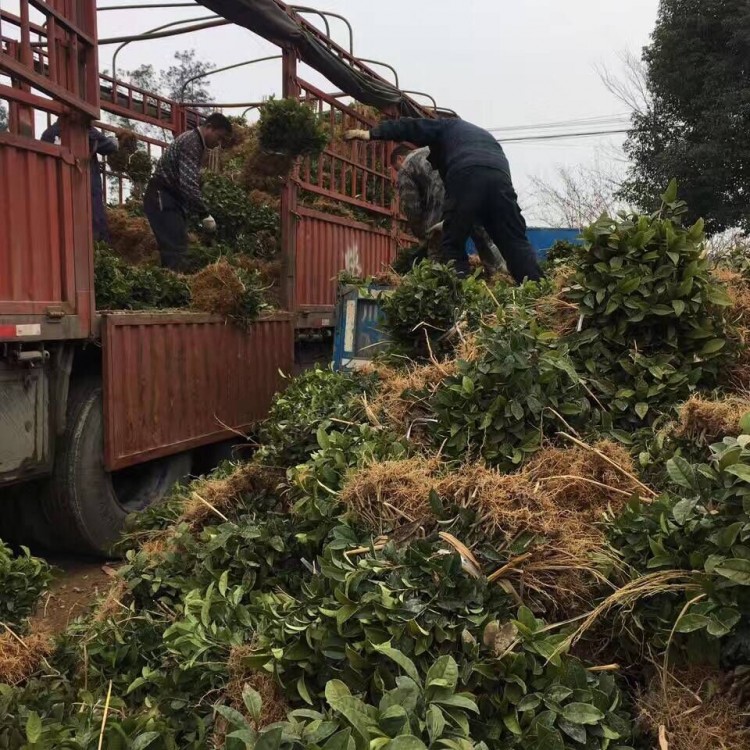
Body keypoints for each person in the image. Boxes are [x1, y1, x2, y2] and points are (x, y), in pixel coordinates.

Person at [346, 118, 543, 283]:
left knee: (452, 245)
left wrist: (372, 134)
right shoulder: (472, 135)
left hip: (467, 173)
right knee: (514, 242)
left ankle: (460, 300)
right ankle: (537, 293)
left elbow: (410, 126)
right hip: (500, 176)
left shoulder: (444, 127)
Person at [390, 144, 505, 274]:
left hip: (443, 203)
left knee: (438, 251)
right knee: (485, 240)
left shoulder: (407, 166)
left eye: (396, 168)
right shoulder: (436, 149)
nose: (398, 171)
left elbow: (411, 206)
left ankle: (444, 283)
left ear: (400, 159)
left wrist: (421, 234)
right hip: (476, 189)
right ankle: (502, 276)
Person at [143, 112, 232, 271]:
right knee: (175, 249)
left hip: (170, 198)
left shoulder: (195, 142)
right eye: (219, 138)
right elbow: (188, 183)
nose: (218, 143)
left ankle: (174, 283)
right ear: (209, 127)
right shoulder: (192, 142)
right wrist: (203, 213)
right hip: (162, 196)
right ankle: (174, 289)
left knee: (178, 244)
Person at [41, 120, 118, 243]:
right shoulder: (84, 130)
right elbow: (109, 146)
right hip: (84, 185)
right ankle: (98, 247)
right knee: (94, 219)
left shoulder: (48, 134)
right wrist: (114, 140)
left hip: (57, 189)